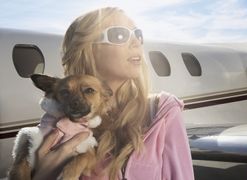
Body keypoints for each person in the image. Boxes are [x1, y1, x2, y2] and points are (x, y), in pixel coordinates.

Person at [31, 7, 194, 180]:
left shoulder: (162, 112)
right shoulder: (57, 121)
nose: (136, 42)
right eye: (119, 35)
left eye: (138, 34)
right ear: (88, 50)